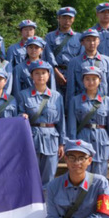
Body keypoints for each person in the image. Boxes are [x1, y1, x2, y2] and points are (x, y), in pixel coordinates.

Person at [18, 60, 65, 188]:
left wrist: (62, 143)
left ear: (49, 75)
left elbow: (61, 121)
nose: (40, 76)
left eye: (44, 73)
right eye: (37, 73)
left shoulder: (57, 96)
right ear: (31, 76)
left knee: (49, 177)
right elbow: (18, 114)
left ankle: (46, 201)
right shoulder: (23, 95)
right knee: (31, 176)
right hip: (32, 138)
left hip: (52, 139)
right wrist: (21, 116)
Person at [67, 66, 109, 178]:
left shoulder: (108, 101)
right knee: (81, 175)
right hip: (83, 140)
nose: (91, 82)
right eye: (87, 79)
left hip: (102, 142)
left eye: (94, 79)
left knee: (100, 177)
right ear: (83, 81)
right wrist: (72, 145)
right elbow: (72, 126)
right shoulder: (75, 100)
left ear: (100, 80)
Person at [66, 29, 109, 110]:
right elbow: (71, 88)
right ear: (82, 42)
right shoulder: (74, 62)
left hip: (102, 105)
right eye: (88, 40)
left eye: (94, 40)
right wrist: (70, 109)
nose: (92, 43)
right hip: (81, 105)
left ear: (99, 41)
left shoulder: (107, 61)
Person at [45, 7, 83, 97]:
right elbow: (48, 55)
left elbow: (81, 57)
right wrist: (56, 72)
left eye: (70, 18)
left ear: (73, 19)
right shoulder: (50, 36)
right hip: (54, 73)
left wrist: (73, 73)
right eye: (64, 18)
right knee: (54, 98)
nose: (67, 21)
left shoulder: (79, 37)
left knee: (72, 99)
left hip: (73, 73)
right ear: (58, 18)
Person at [12, 36, 56, 102]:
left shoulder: (48, 67)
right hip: (27, 101)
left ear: (42, 49)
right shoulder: (19, 68)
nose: (33, 50)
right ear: (26, 48)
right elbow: (17, 90)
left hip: (45, 100)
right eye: (31, 47)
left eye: (36, 47)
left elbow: (52, 87)